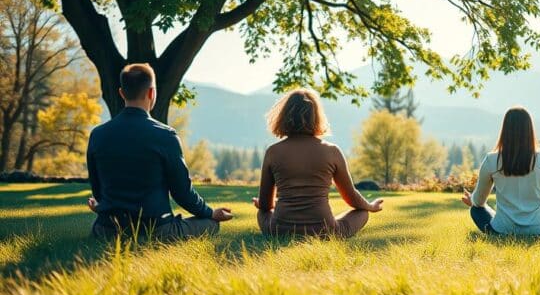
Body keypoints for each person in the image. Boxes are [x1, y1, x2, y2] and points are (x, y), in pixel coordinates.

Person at [87, 63, 233, 239]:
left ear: (122, 93)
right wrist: (210, 213)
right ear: (151, 93)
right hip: (156, 231)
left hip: (107, 230)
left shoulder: (97, 135)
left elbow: (97, 189)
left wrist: (103, 207)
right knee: (211, 225)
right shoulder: (165, 136)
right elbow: (182, 193)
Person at [254, 88, 382, 237]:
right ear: (316, 117)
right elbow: (352, 198)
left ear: (283, 116)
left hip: (280, 231)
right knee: (362, 213)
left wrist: (262, 204)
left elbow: (266, 205)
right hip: (324, 232)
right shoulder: (332, 151)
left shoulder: (273, 152)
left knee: (262, 212)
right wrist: (371, 206)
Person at [461, 106, 540, 235]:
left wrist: (472, 200)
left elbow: (479, 202)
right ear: (530, 129)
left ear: (505, 130)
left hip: (501, 230)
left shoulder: (491, 159)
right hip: (539, 230)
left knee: (476, 210)